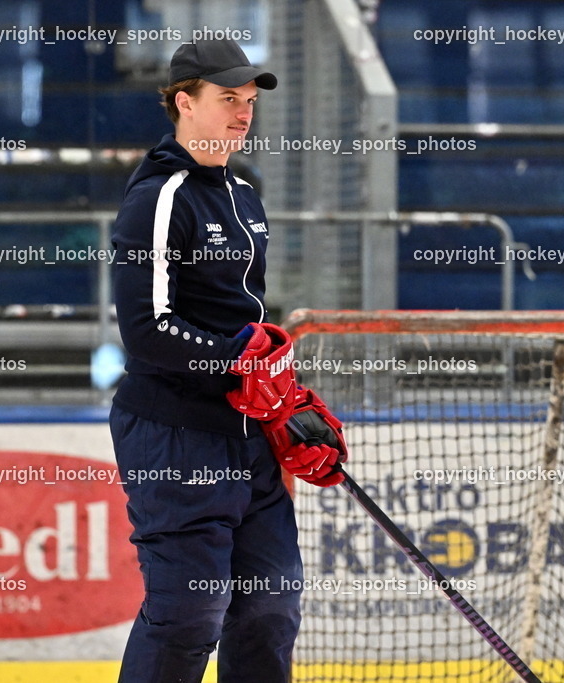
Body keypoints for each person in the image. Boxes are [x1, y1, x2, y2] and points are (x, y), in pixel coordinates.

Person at [110, 39, 346, 683]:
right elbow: (147, 330)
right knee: (189, 611)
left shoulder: (244, 190)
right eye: (227, 100)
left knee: (269, 606)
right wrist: (241, 365)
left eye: (248, 102)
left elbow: (247, 323)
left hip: (249, 434)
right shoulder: (160, 196)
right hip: (173, 435)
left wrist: (287, 396)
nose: (243, 115)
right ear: (184, 103)